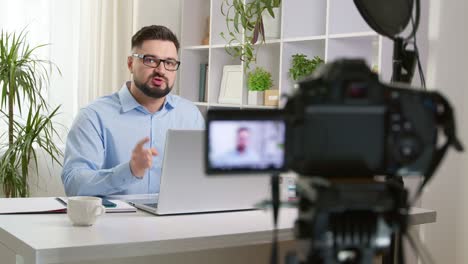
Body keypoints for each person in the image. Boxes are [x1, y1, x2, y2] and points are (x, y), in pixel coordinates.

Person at [61, 25, 204, 196]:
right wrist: (129, 171)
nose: (161, 70)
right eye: (150, 60)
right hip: (114, 221)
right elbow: (74, 184)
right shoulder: (93, 116)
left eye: (169, 62)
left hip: (178, 220)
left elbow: (205, 175)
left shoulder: (190, 115)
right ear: (130, 64)